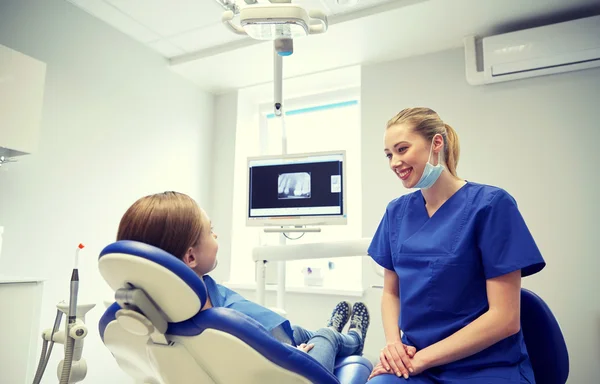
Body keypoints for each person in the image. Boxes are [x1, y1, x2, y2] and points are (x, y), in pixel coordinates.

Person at [366, 107, 545, 383]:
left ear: (436, 143)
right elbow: (391, 293)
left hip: (485, 366)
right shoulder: (396, 212)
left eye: (402, 149)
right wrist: (394, 346)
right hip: (415, 360)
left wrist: (420, 361)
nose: (394, 162)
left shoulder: (491, 205)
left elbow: (505, 318)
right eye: (389, 154)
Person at [116, 191, 370, 374]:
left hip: (275, 340)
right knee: (325, 336)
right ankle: (351, 338)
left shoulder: (148, 316)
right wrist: (296, 357)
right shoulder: (222, 325)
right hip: (289, 370)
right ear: (191, 256)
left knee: (300, 331)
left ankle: (330, 332)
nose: (215, 235)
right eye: (210, 230)